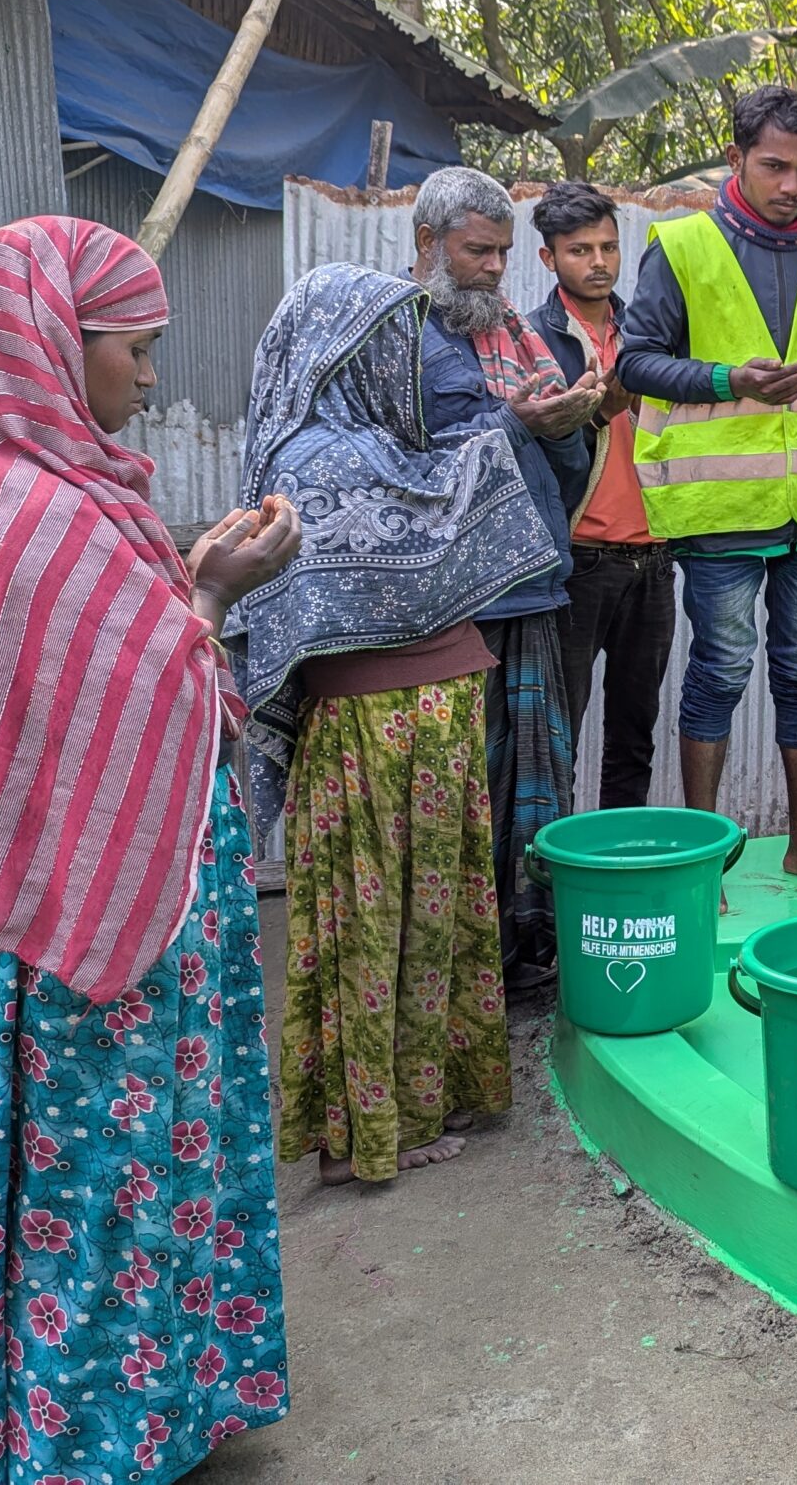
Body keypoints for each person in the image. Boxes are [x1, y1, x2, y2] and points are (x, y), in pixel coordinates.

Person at [0, 218, 300, 1483]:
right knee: (106, 1173)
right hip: (89, 945)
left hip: (83, 909)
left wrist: (187, 575)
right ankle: (91, 1437)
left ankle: (147, 1408)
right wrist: (211, 595)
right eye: (136, 347)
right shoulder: (34, 514)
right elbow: (148, 689)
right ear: (54, 343)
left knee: (140, 1162)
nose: (151, 378)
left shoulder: (9, 490)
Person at [237, 264, 565, 1184]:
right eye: (394, 344)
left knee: (427, 919)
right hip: (378, 731)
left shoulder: (370, 447)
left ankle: (410, 1103)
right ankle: (373, 1130)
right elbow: (435, 518)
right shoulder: (321, 459)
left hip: (416, 724)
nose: (411, 365)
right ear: (345, 354)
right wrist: (520, 427)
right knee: (383, 927)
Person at [619, 85, 797, 893]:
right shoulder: (682, 245)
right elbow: (634, 362)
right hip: (720, 508)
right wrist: (732, 379)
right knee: (722, 669)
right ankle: (706, 857)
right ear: (735, 159)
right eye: (774, 166)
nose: (793, 185)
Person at [412, 165, 604, 989]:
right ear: (429, 243)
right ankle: (466, 971)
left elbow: (564, 473)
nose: (494, 268)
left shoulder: (521, 337)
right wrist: (515, 423)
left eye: (501, 253)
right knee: (464, 787)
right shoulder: (398, 337)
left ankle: (524, 952)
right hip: (455, 603)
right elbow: (411, 468)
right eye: (476, 252)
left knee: (534, 780)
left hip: (533, 588)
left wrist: (563, 426)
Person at [531, 182, 677, 810]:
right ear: (549, 258)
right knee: (557, 736)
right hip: (579, 561)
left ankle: (623, 851)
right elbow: (531, 450)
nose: (599, 262)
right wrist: (597, 410)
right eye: (579, 250)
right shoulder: (534, 338)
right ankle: (554, 863)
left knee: (634, 735)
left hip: (655, 557)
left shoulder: (649, 330)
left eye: (609, 248)